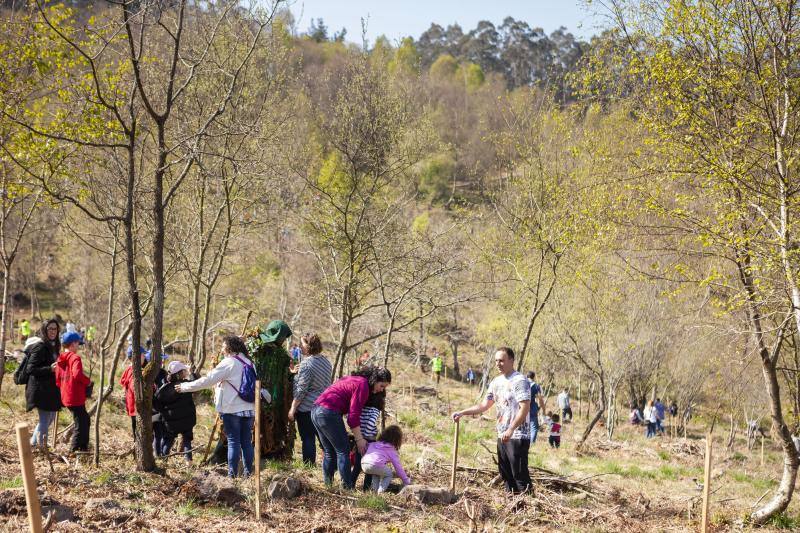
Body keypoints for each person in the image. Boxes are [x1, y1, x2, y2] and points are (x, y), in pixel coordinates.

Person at [452, 347, 532, 494]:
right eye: (496, 361)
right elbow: (484, 405)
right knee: (506, 475)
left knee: (520, 476)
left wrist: (511, 429)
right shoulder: (496, 382)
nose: (498, 364)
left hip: (517, 435)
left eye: (501, 360)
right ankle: (514, 508)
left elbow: (525, 408)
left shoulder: (520, 380)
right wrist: (463, 413)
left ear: (511, 361)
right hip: (502, 435)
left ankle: (530, 508)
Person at [176, 335, 256, 478]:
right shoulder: (249, 362)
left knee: (233, 443)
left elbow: (207, 381)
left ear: (230, 347)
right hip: (249, 408)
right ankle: (248, 475)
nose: (222, 349)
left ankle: (232, 476)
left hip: (232, 409)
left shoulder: (229, 362)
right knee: (246, 443)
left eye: (224, 346)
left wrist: (184, 387)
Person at [312, 366, 392, 489]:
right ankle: (347, 488)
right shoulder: (363, 385)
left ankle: (329, 486)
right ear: (375, 380)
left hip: (316, 410)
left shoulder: (354, 379)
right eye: (381, 386)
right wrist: (359, 439)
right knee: (343, 451)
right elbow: (353, 418)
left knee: (329, 451)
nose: (381, 390)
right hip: (329, 412)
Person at [288, 333, 332, 466]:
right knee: (323, 440)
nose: (300, 346)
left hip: (307, 408)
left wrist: (293, 408)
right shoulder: (326, 362)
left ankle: (309, 466)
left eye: (302, 344)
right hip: (323, 406)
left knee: (308, 439)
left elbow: (301, 390)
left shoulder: (306, 364)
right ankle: (330, 467)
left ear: (309, 345)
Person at [23, 319, 62, 449]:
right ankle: (42, 448)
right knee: (45, 419)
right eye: (50, 328)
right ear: (44, 330)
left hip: (50, 389)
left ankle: (33, 444)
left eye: (55, 329)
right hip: (40, 389)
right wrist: (49, 369)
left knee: (50, 418)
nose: (52, 331)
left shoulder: (54, 345)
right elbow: (30, 369)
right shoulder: (40, 347)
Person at [55, 331, 91, 452]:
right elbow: (77, 374)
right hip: (75, 396)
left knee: (85, 419)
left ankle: (83, 447)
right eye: (78, 344)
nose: (78, 346)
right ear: (72, 344)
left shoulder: (60, 359)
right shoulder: (75, 358)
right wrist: (88, 382)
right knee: (80, 423)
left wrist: (64, 390)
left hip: (66, 396)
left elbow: (57, 380)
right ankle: (74, 449)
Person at [155, 361, 197, 461]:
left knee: (168, 441)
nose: (186, 372)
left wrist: (164, 413)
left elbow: (157, 402)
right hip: (186, 420)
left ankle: (163, 461)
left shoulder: (165, 388)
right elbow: (196, 384)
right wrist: (192, 373)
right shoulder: (186, 385)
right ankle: (189, 463)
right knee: (187, 441)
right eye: (184, 371)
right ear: (180, 373)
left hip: (170, 422)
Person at [359, 425, 411, 493]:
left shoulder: (374, 443)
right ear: (397, 439)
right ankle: (380, 492)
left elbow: (366, 448)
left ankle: (374, 494)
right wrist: (406, 481)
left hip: (363, 464)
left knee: (376, 474)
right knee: (389, 474)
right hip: (375, 464)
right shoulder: (391, 450)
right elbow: (399, 469)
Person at [351, 391, 385, 491]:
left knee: (357, 465)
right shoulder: (375, 411)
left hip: (359, 440)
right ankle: (366, 489)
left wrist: (361, 436)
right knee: (369, 467)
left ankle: (350, 485)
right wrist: (369, 432)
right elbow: (370, 423)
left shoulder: (363, 409)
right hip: (369, 441)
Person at [120, 347, 147, 440]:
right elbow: (134, 388)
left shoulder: (129, 370)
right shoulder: (136, 371)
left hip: (132, 407)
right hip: (137, 407)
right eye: (143, 355)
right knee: (139, 435)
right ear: (136, 357)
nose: (145, 357)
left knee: (136, 431)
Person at [526, 371, 545, 443]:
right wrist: (543, 409)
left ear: (527, 376)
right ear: (533, 377)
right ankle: (531, 444)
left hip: (521, 409)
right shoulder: (535, 386)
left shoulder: (522, 384)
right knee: (534, 427)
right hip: (532, 409)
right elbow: (540, 399)